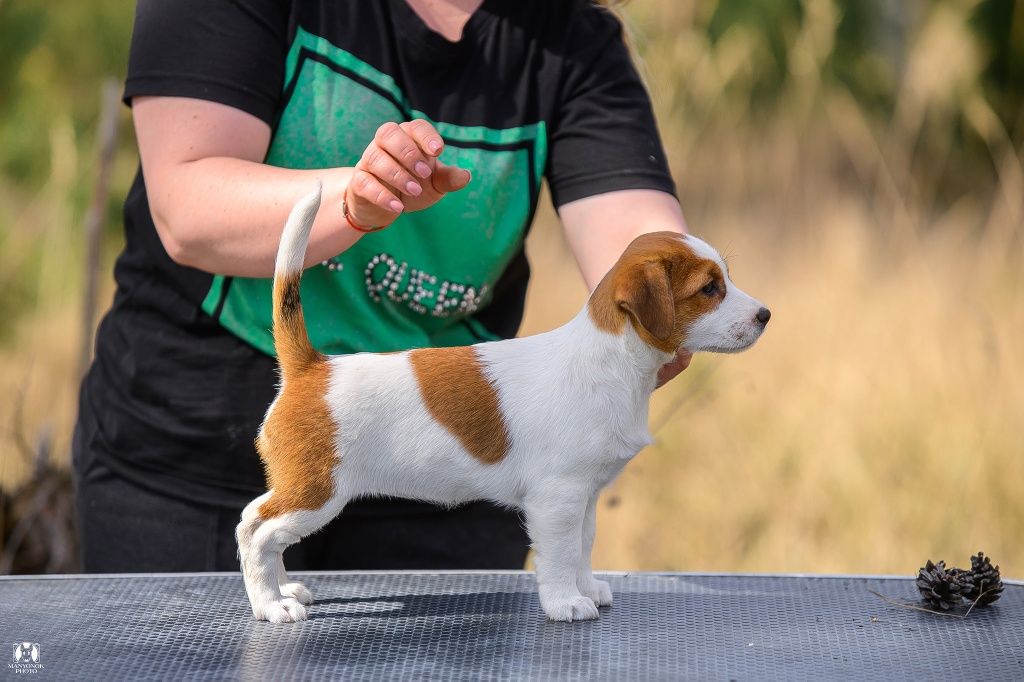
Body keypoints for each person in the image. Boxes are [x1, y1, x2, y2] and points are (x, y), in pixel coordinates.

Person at [72, 0, 692, 573]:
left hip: (454, 468)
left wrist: (670, 310)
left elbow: (637, 243)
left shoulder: (575, 38)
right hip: (192, 455)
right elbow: (188, 209)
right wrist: (357, 201)